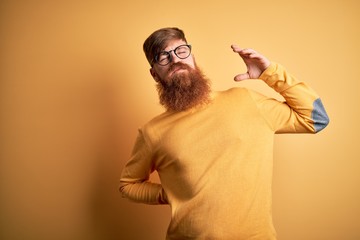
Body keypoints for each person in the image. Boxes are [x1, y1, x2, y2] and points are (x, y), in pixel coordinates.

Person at [119, 27, 329, 240]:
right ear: (155, 74)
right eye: (163, 57)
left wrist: (270, 73)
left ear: (192, 57)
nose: (175, 59)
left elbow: (317, 119)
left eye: (180, 50)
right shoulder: (152, 132)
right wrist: (168, 193)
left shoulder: (246, 100)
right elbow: (128, 185)